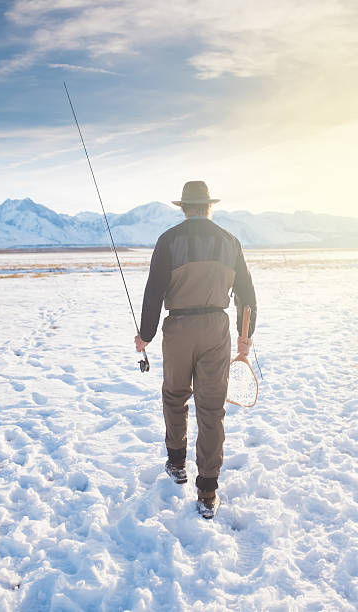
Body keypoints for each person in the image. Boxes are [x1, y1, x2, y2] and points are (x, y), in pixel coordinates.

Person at [135, 180, 256, 518]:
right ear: (208, 206)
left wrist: (145, 335)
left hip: (178, 328)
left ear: (184, 208)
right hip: (217, 329)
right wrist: (246, 336)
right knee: (211, 407)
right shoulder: (230, 242)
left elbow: (154, 292)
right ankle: (207, 490)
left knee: (175, 395)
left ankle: (177, 463)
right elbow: (247, 295)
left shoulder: (168, 241)